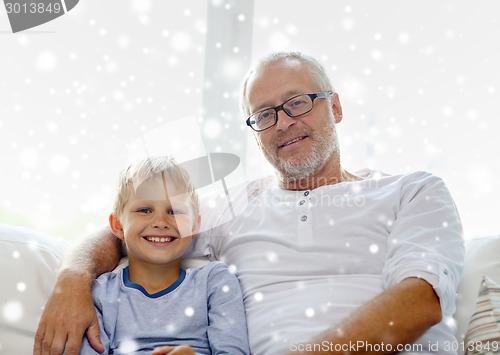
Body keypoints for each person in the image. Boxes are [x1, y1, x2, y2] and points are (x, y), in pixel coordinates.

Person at [34, 51, 464, 355]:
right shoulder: (234, 209)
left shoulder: (413, 190)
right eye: (264, 115)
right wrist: (72, 280)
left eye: (297, 103)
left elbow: (420, 299)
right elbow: (137, 230)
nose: (283, 123)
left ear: (334, 107)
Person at [78, 156, 249, 354]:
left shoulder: (215, 282)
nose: (160, 221)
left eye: (174, 211)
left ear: (194, 227)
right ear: (117, 225)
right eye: (144, 210)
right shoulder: (101, 293)